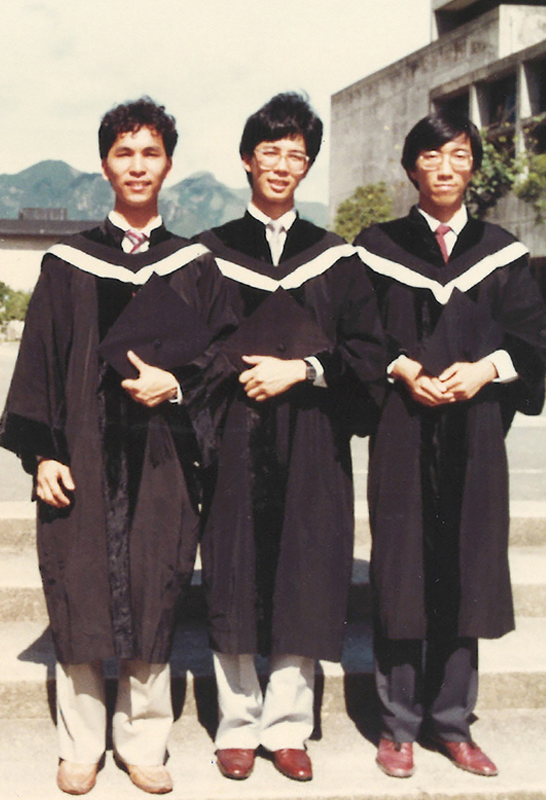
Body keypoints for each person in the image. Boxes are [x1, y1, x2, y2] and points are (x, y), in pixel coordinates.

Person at [0, 97, 217, 796]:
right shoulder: (67, 264)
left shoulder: (195, 265)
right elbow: (40, 363)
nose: (138, 165)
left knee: (155, 587)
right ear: (105, 165)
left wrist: (176, 388)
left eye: (150, 153)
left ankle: (143, 743)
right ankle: (82, 745)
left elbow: (218, 363)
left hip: (162, 460)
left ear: (169, 165)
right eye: (125, 152)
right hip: (85, 456)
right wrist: (43, 453)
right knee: (83, 588)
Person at [193, 92, 386, 783]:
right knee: (236, 574)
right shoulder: (208, 255)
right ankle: (237, 724)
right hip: (234, 443)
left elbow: (369, 353)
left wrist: (301, 369)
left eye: (296, 155)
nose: (282, 164)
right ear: (247, 159)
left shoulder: (335, 259)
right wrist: (237, 373)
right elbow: (185, 352)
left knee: (304, 576)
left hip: (310, 443)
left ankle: (288, 727)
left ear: (307, 167)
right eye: (270, 151)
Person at [354, 112, 546, 779]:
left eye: (459, 155)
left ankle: (453, 723)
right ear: (412, 169)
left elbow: (531, 340)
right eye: (432, 156)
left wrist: (484, 369)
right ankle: (397, 726)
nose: (445, 167)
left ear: (473, 168)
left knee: (465, 570)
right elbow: (358, 334)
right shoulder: (376, 248)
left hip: (473, 437)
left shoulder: (502, 252)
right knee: (402, 570)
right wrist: (403, 369)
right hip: (402, 431)